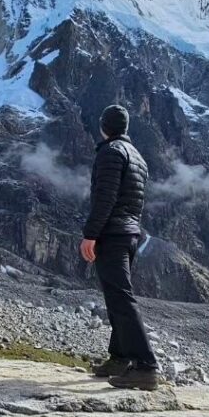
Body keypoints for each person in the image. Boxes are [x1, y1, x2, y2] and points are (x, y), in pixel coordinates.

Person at [79, 104, 160, 391]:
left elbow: (105, 197)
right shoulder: (137, 156)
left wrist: (91, 234)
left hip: (112, 234)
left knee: (121, 298)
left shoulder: (110, 153)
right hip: (130, 234)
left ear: (104, 125)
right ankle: (119, 357)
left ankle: (146, 365)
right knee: (116, 296)